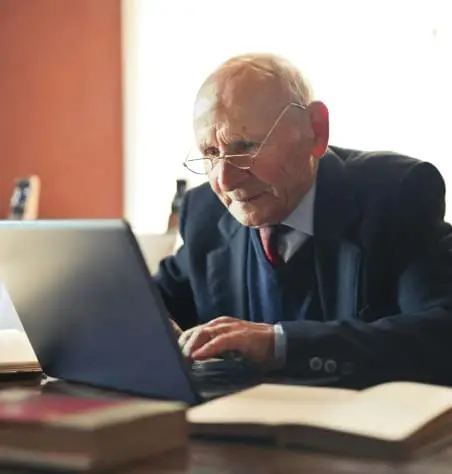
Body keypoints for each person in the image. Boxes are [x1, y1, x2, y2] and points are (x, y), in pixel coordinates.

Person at [155, 52, 452, 387]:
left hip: (359, 431)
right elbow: (153, 303)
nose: (224, 180)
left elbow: (441, 334)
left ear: (315, 130)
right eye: (210, 153)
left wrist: (279, 345)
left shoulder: (396, 194)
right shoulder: (205, 213)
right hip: (236, 431)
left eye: (245, 146)